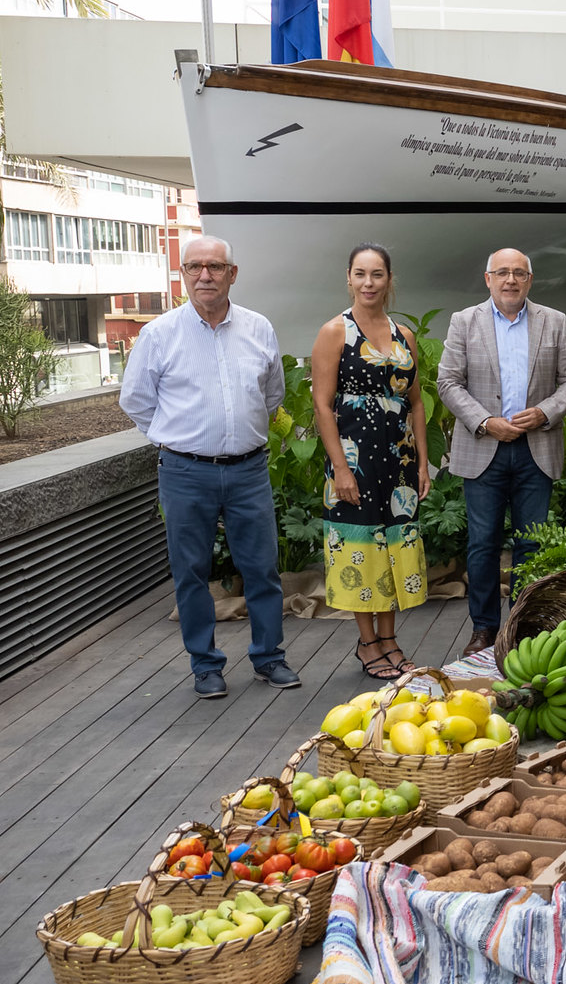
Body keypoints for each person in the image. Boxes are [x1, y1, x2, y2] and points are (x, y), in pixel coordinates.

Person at [118, 235, 299, 698]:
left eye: (215, 267)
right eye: (195, 267)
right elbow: (136, 401)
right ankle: (205, 665)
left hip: (248, 469)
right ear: (183, 274)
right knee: (191, 571)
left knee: (261, 568)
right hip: (184, 471)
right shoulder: (160, 334)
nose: (205, 275)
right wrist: (176, 438)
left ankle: (269, 658)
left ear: (232, 274)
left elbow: (271, 394)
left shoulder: (258, 328)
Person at [438, 248, 566, 656]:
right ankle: (484, 630)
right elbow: (448, 382)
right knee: (483, 544)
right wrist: (486, 422)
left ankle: (522, 627)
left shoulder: (553, 322)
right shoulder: (464, 322)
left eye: (519, 273)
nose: (510, 280)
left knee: (532, 544)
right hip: (483, 446)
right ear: (488, 279)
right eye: (502, 273)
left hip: (535, 448)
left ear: (529, 280)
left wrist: (545, 412)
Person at [310, 243, 431, 678]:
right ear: (348, 278)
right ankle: (367, 643)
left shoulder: (405, 336)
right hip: (355, 461)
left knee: (395, 544)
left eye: (377, 274)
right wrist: (340, 467)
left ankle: (390, 639)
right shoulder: (334, 332)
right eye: (360, 274)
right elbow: (322, 405)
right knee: (361, 547)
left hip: (397, 462)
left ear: (389, 280)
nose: (368, 283)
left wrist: (421, 463)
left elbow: (415, 402)